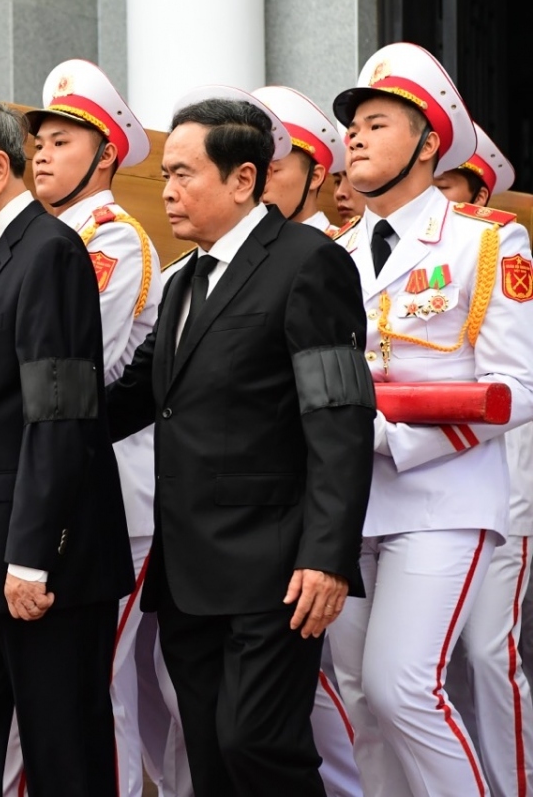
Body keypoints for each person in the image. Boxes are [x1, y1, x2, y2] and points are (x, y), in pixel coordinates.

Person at [105, 90, 375, 796]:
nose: (167, 190)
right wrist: (6, 408)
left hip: (275, 568)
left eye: (184, 173)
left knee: (259, 743)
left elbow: (339, 415)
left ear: (244, 179)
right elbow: (130, 398)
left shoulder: (308, 263)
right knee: (212, 756)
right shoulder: (182, 280)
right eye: (165, 174)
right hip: (189, 569)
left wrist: (327, 556)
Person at [327, 42, 533, 797]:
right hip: (350, 506)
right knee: (360, 702)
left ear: (427, 143)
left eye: (377, 123)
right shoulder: (334, 253)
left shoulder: (487, 241)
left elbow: (517, 386)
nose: (354, 135)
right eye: (352, 124)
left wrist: (389, 437)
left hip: (441, 496)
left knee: (402, 685)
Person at [0, 94, 132, 797]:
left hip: (36, 567)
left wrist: (32, 556)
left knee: (63, 756)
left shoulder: (50, 252)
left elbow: (61, 413)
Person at [3, 58, 161, 797]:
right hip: (49, 484)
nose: (41, 154)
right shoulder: (40, 238)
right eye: (38, 142)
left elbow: (70, 358)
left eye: (62, 141)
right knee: (76, 686)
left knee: (94, 685)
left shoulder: (113, 238)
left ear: (105, 156)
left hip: (107, 493)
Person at [253, 83, 364, 797]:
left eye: (276, 165)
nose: (259, 179)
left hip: (324, 509)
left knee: (358, 690)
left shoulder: (325, 257)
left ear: (315, 174)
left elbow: (340, 406)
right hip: (259, 520)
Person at [428, 122, 533, 795]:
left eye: (446, 182)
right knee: (420, 674)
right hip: (412, 502)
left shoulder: (495, 247)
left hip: (502, 493)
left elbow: (511, 387)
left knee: (488, 654)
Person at [256, 86, 348, 234]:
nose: (259, 184)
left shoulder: (343, 251)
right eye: (257, 172)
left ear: (314, 177)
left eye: (272, 171)